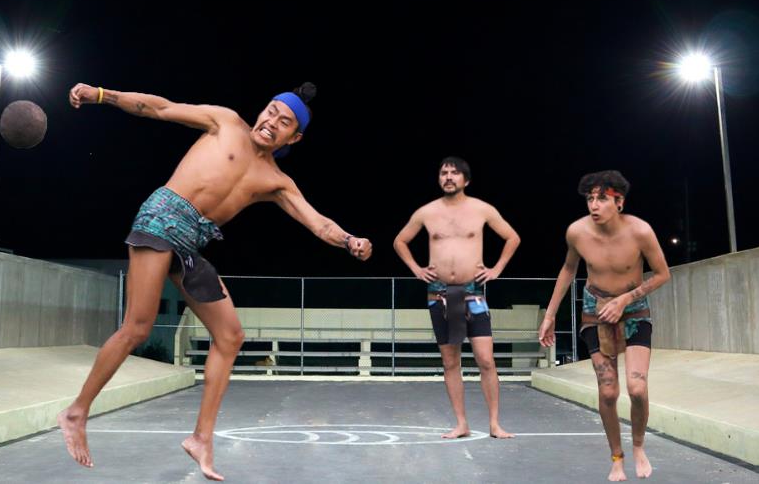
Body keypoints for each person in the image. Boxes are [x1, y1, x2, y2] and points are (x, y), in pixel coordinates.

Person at [58, 81, 372, 481]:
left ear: (295, 137)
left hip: (191, 241)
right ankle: (76, 411)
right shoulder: (225, 122)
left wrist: (350, 241)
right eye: (271, 110)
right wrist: (103, 96)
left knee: (230, 336)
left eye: (284, 121)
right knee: (138, 326)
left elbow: (319, 223)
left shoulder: (277, 182)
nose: (271, 121)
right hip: (162, 216)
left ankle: (201, 438)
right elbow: (159, 107)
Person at [538, 170, 670, 481]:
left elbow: (663, 274)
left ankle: (638, 446)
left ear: (619, 202)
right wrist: (549, 315)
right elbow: (568, 270)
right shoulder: (577, 232)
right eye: (589, 199)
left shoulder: (641, 231)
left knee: (637, 388)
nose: (594, 205)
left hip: (633, 309)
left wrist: (626, 299)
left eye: (602, 199)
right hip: (594, 310)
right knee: (608, 392)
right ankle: (617, 456)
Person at [393, 156, 520, 439]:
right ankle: (461, 423)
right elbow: (400, 241)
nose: (448, 177)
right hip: (438, 293)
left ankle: (494, 423)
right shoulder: (426, 212)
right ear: (439, 179)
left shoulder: (482, 209)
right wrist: (416, 269)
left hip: (473, 292)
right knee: (451, 361)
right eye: (444, 173)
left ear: (466, 180)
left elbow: (512, 237)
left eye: (455, 173)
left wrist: (496, 269)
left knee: (485, 359)